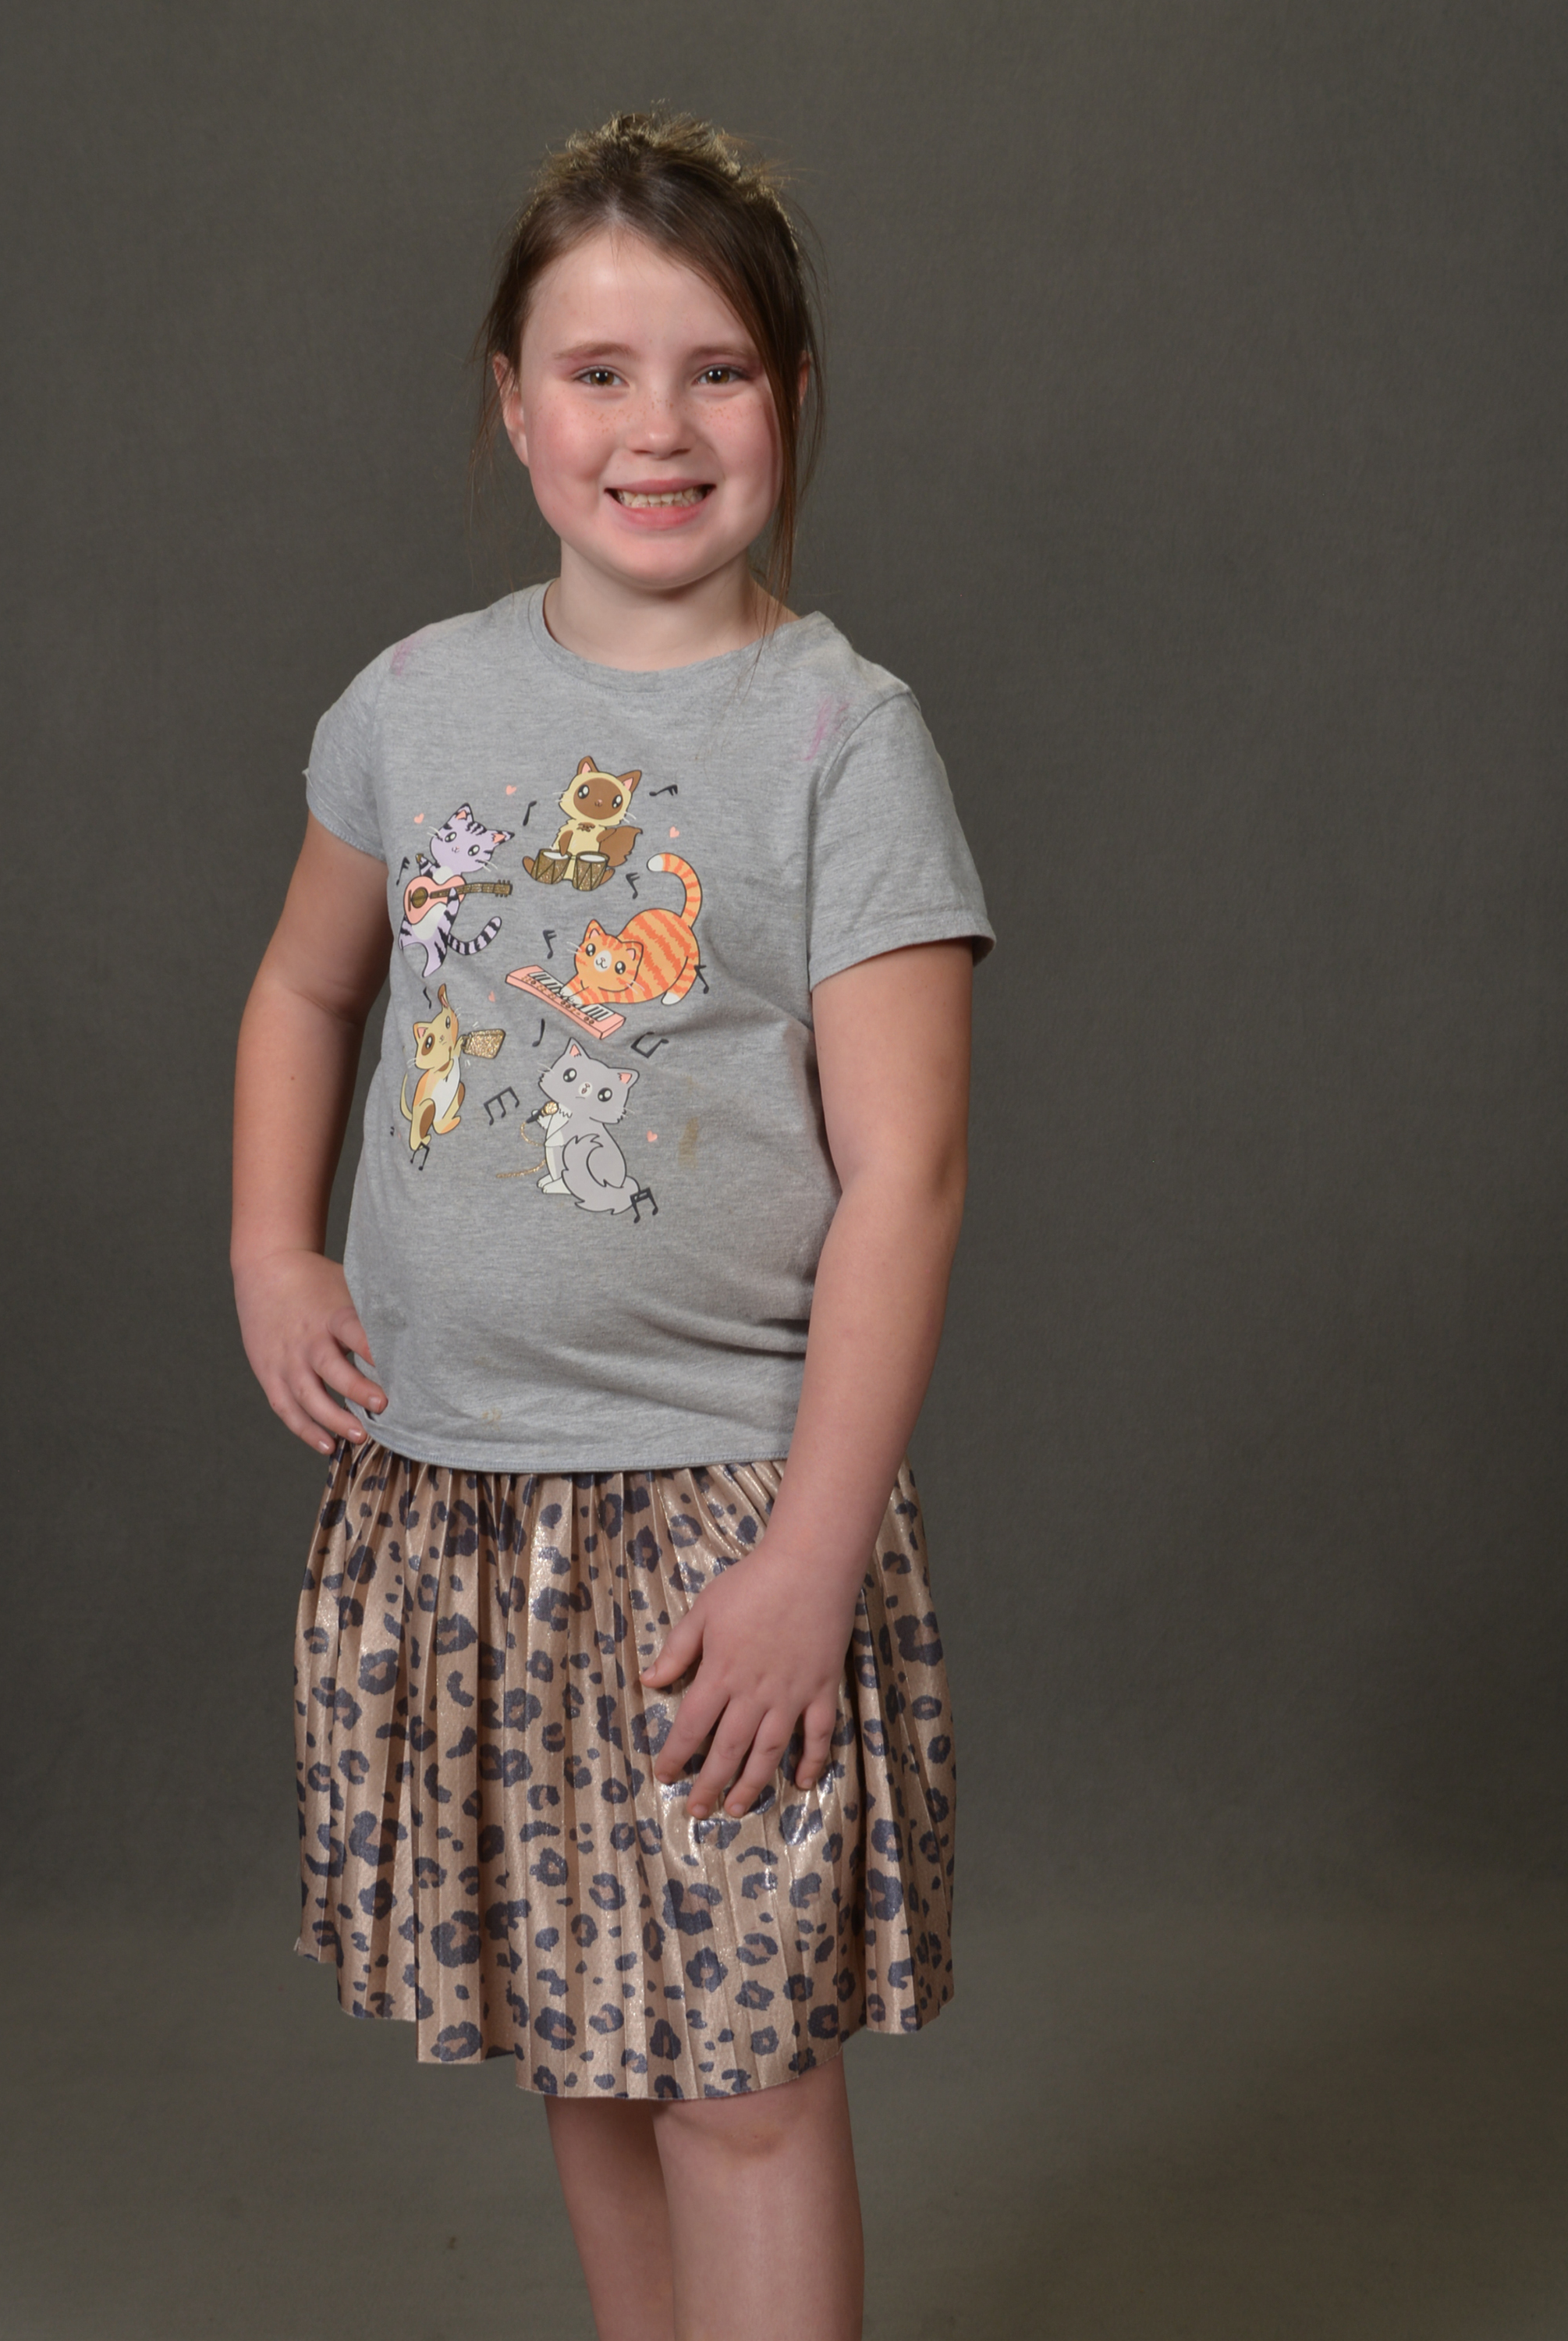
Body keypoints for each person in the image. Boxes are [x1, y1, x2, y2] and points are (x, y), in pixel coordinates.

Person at [231, 110, 993, 2341]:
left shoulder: (840, 740)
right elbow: (306, 986)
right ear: (511, 401)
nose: (657, 428)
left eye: (717, 371)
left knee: (739, 2081)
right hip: (463, 1502)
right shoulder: (412, 705)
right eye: (598, 372)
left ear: (792, 398)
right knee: (585, 2044)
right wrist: (275, 1246)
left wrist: (811, 1565)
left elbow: (909, 1179)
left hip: (718, 1520)